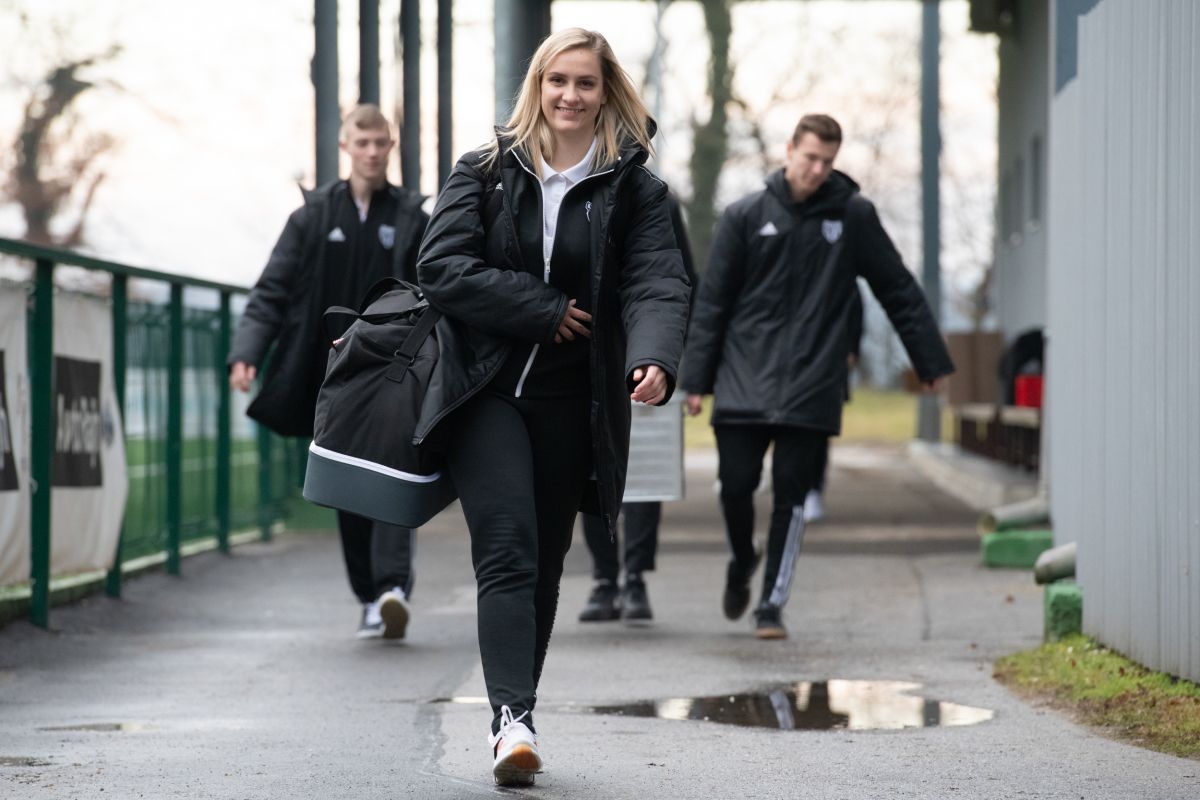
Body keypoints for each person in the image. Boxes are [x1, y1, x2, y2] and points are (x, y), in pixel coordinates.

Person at [414, 28, 690, 786]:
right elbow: (441, 266)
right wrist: (540, 309)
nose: (570, 95)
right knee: (506, 547)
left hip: (575, 399)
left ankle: (519, 709)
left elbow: (658, 281)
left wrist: (655, 357)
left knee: (544, 561)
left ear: (606, 94)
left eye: (585, 83)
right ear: (537, 86)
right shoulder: (484, 170)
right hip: (485, 391)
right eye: (557, 80)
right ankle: (511, 721)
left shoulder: (636, 189)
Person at [680, 113, 954, 641]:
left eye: (827, 161)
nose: (817, 169)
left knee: (792, 495)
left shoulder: (853, 217)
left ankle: (771, 605)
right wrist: (696, 380)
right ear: (789, 150)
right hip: (743, 376)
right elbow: (712, 302)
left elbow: (897, 288)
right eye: (810, 158)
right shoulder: (745, 215)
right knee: (735, 486)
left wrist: (930, 362)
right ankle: (742, 560)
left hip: (813, 381)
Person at [228, 104, 428, 641]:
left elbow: (435, 286)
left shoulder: (411, 217)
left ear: (391, 147)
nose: (372, 152)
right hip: (331, 377)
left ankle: (392, 588)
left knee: (394, 469)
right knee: (347, 481)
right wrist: (246, 352)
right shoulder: (313, 217)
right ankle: (369, 597)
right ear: (346, 147)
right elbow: (271, 290)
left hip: (395, 371)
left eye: (380, 143)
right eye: (362, 143)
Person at [578, 194, 697, 624]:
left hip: (641, 355)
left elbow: (679, 280)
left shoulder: (654, 197)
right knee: (593, 470)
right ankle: (604, 578)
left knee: (645, 472)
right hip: (585, 353)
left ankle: (636, 577)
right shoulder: (575, 193)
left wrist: (667, 356)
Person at [802, 285, 863, 524]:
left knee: (817, 432)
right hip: (792, 364)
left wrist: (851, 348)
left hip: (828, 362)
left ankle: (814, 489)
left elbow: (854, 308)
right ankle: (799, 487)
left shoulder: (839, 273)